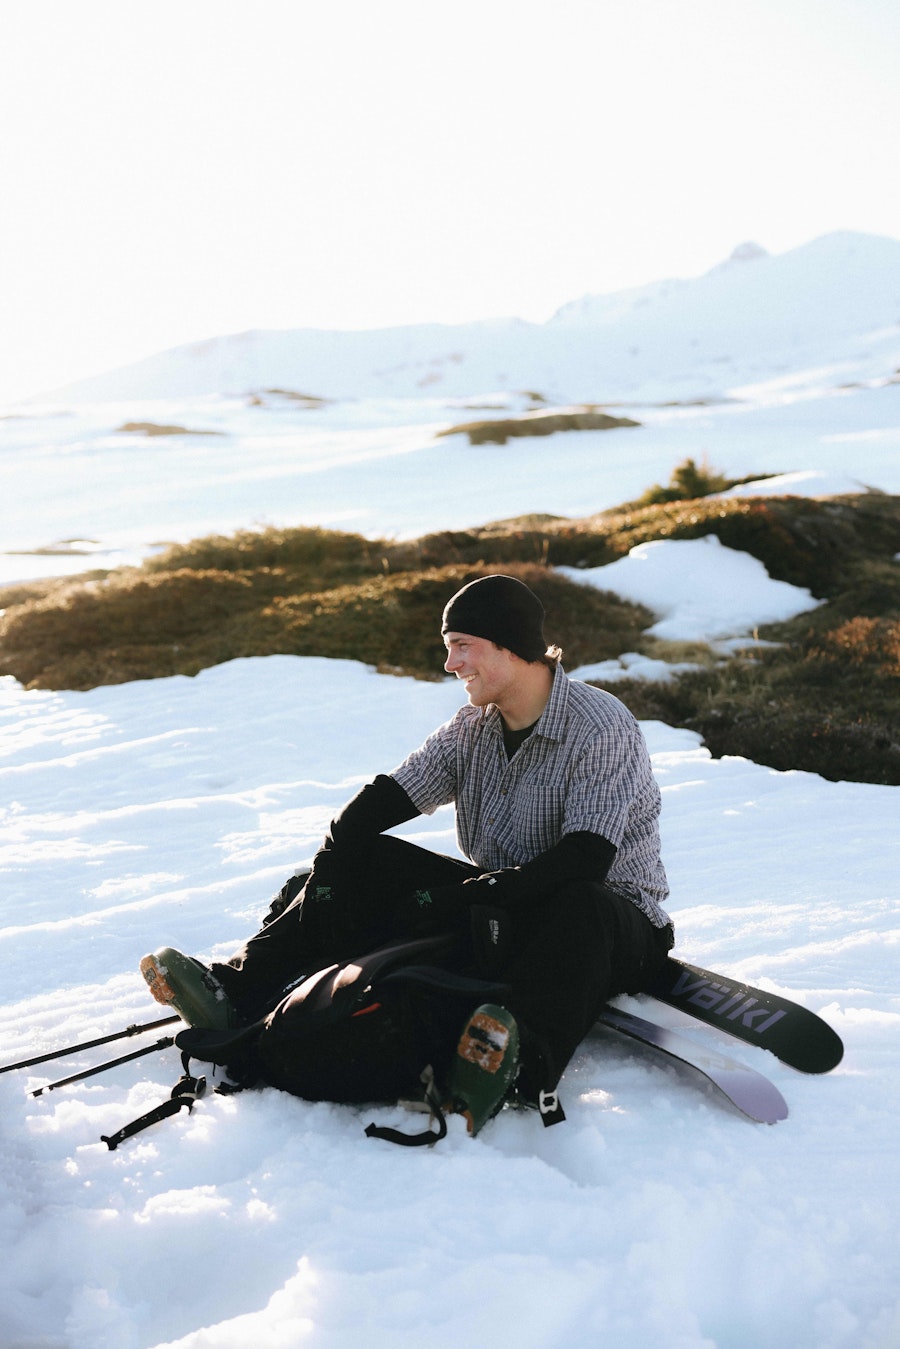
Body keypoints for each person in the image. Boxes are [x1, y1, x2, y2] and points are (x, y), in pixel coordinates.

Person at [141, 574, 674, 1132]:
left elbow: (584, 860)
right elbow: (383, 800)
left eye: (462, 646)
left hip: (611, 921)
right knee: (363, 864)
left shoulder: (600, 726)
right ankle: (240, 991)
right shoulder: (472, 728)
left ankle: (513, 1067)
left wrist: (460, 897)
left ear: (510, 645)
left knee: (580, 903)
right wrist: (330, 869)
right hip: (513, 906)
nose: (450, 664)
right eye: (449, 648)